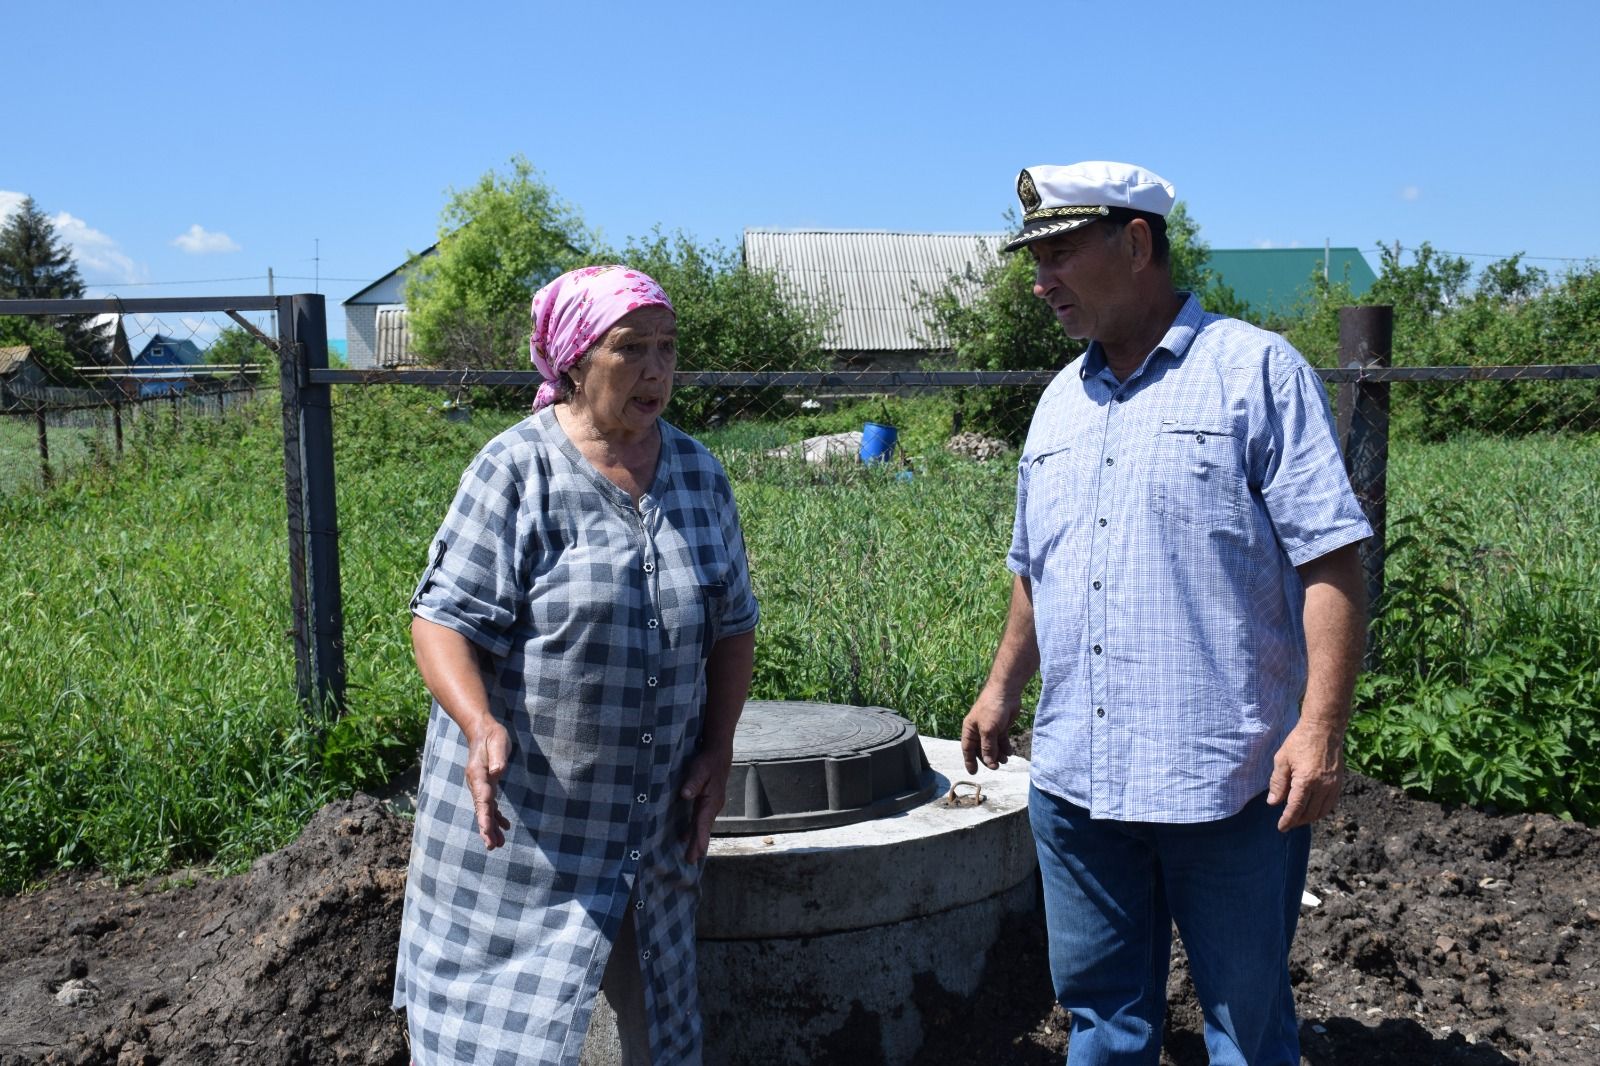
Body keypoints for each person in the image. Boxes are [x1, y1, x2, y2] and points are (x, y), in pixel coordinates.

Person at [961, 161, 1372, 1065]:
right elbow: (1037, 569)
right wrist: (1000, 689)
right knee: (1103, 1017)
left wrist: (1322, 727)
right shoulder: (1057, 402)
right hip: (1079, 783)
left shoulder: (1254, 372)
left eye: (1061, 253)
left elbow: (1333, 558)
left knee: (1244, 1027)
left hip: (1226, 780)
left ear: (1137, 242)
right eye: (1037, 261)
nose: (1042, 282)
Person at [393, 264, 758, 1066]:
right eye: (632, 349)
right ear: (572, 361)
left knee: (657, 1033)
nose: (657, 370)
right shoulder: (516, 469)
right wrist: (477, 721)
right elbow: (442, 619)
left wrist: (719, 744)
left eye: (667, 349)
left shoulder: (698, 474)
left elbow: (733, 625)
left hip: (648, 826)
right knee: (495, 1039)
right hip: (525, 831)